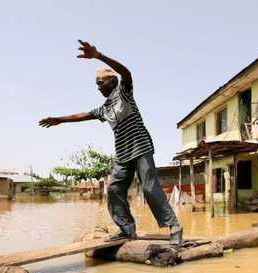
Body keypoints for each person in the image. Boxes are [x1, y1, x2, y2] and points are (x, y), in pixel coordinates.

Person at [39, 40, 183, 245]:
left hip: (140, 148)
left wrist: (98, 55)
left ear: (112, 81)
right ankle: (126, 229)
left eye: (100, 83)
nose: (98, 88)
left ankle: (174, 227)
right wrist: (60, 119)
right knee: (114, 189)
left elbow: (126, 72)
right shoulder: (105, 108)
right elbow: (84, 114)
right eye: (96, 85)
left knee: (150, 188)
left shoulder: (124, 92)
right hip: (123, 154)